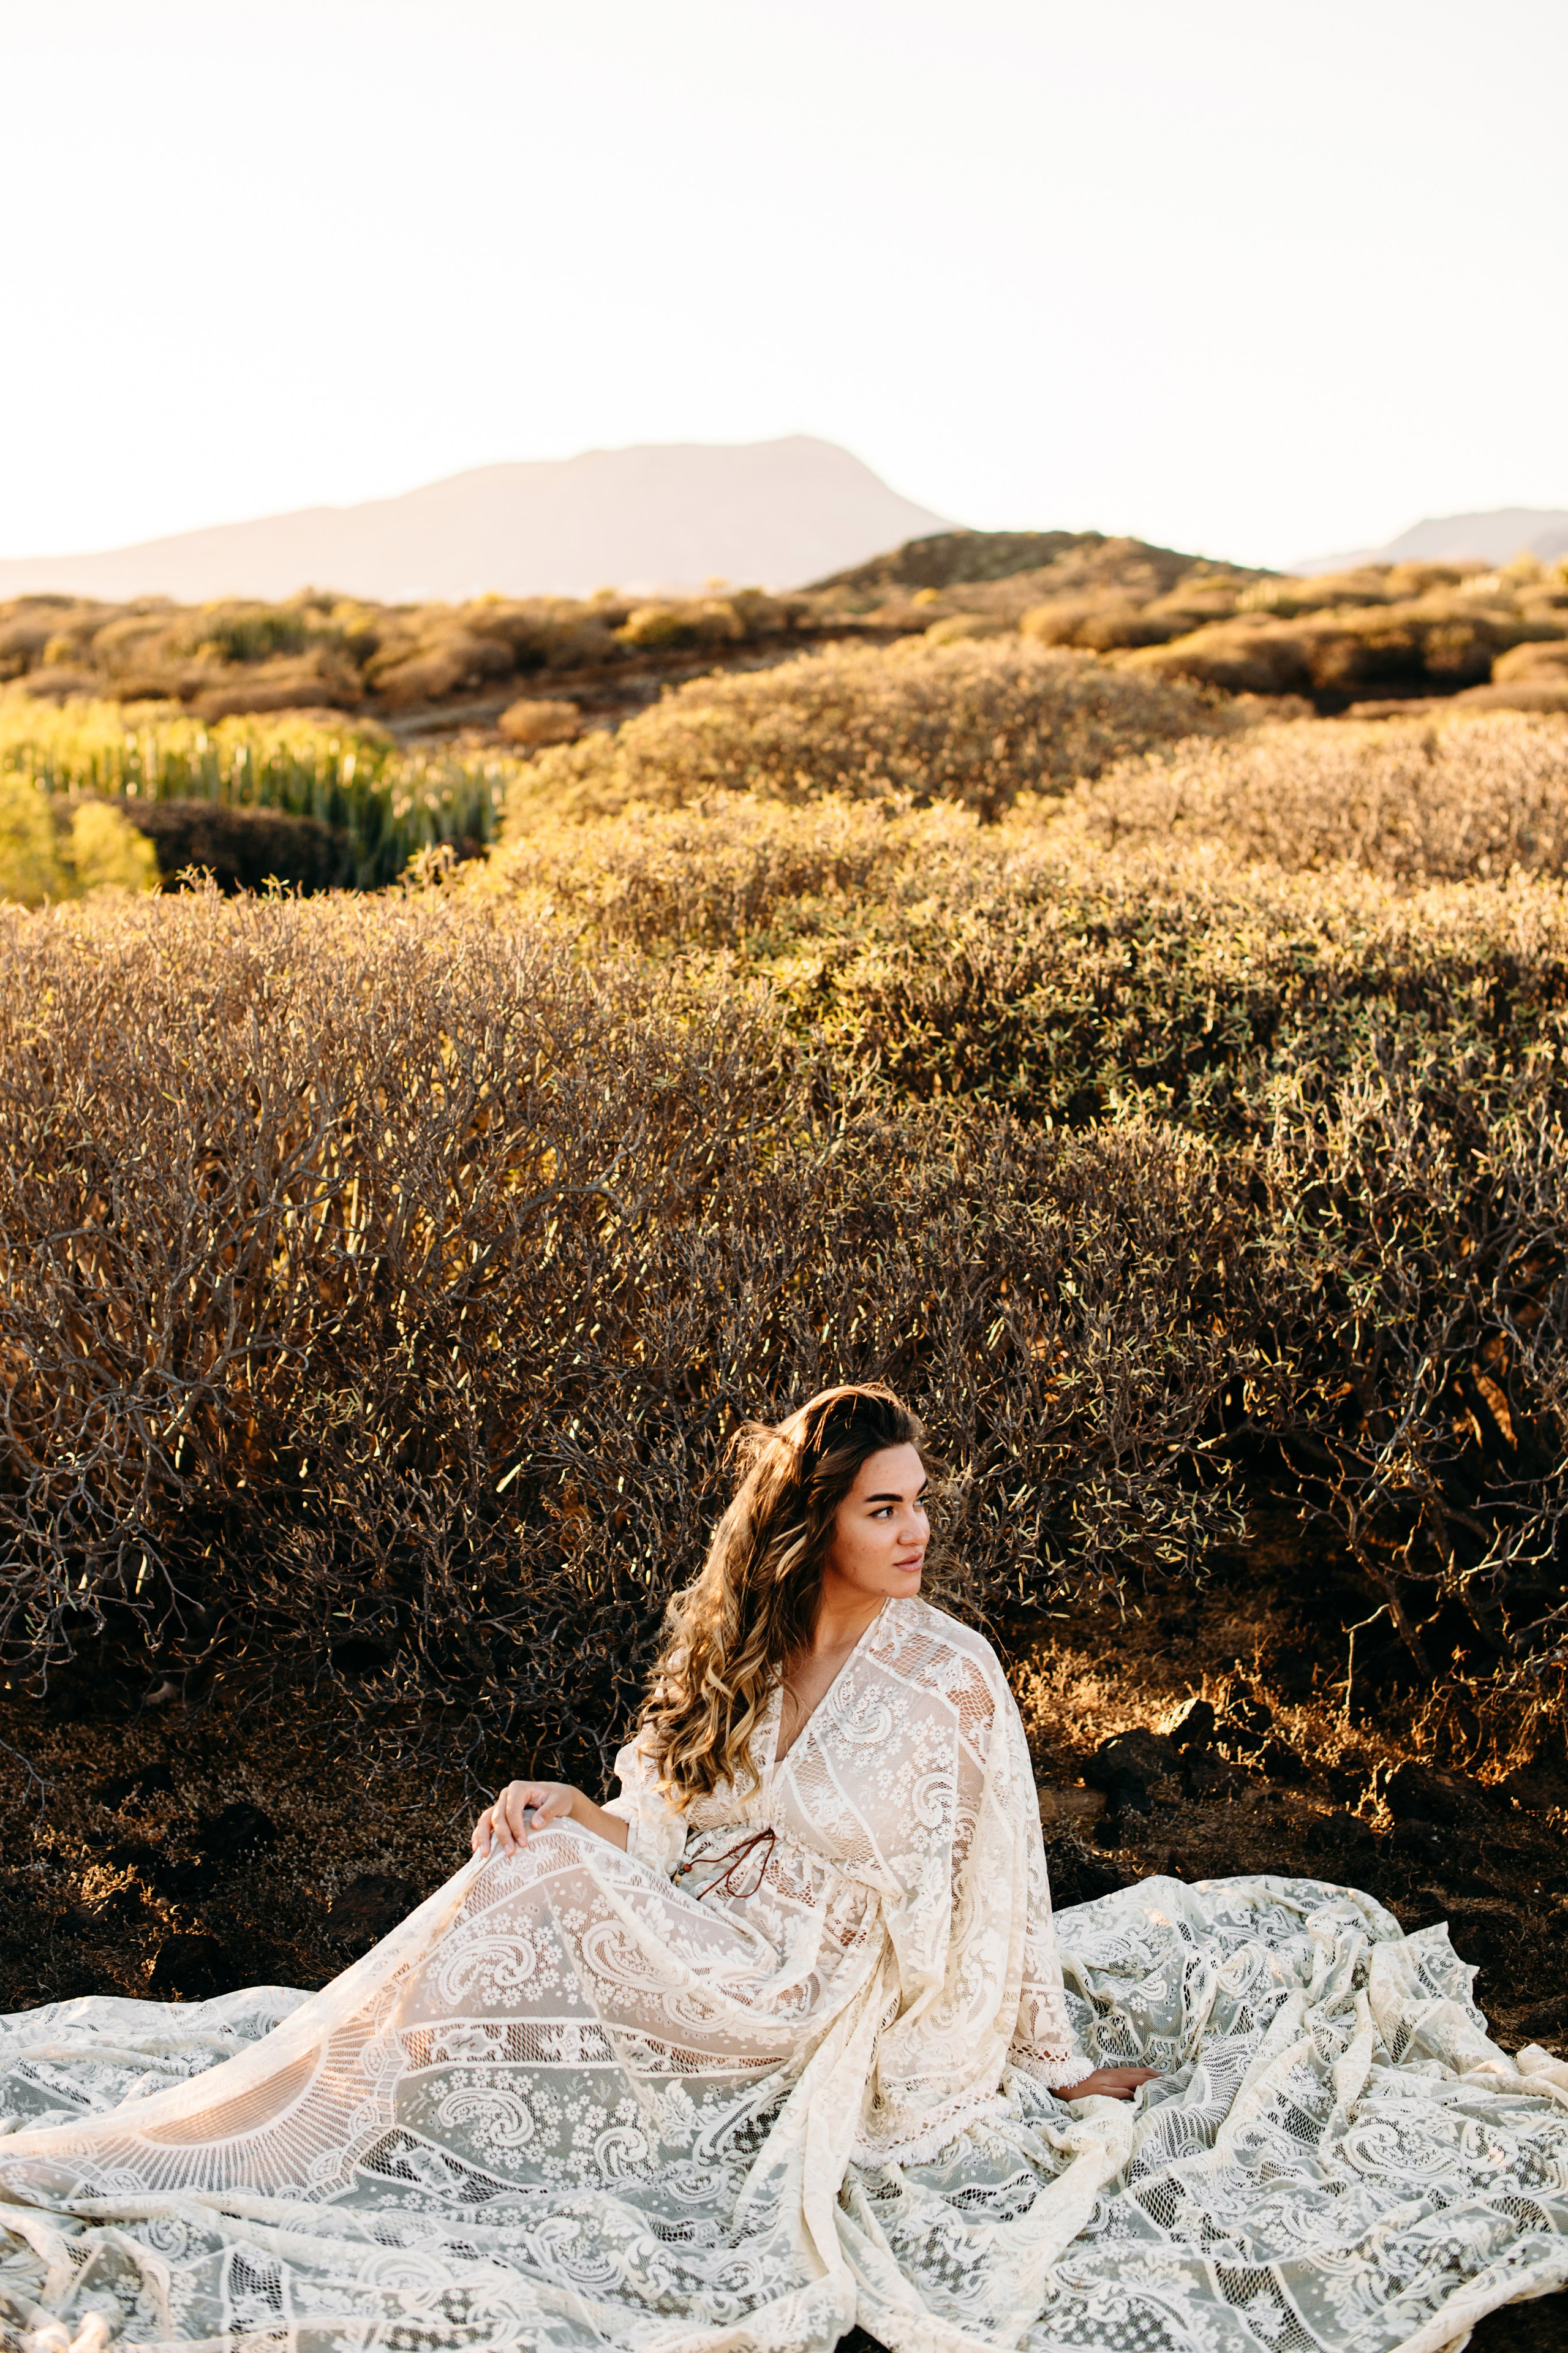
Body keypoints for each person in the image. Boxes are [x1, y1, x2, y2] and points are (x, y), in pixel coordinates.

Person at [0, 1384, 1563, 2353]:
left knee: (538, 1896)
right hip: (707, 1927)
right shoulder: (744, 1640)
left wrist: (1036, 2063)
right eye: (884, 1508)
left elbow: (998, 1891)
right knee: (531, 1860)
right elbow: (671, 1817)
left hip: (816, 1982)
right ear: (814, 1524)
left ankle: (330, 2109)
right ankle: (311, 2106)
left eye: (921, 1502)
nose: (916, 1531)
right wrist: (576, 1805)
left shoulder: (951, 1675)